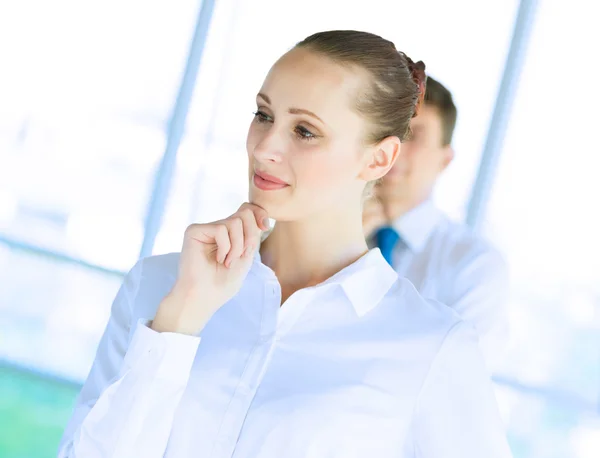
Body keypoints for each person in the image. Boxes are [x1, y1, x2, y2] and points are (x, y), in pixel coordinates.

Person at [58, 31, 512, 458]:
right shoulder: (160, 286)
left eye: (305, 131)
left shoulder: (431, 346)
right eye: (264, 115)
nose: (264, 147)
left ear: (379, 157)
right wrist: (179, 324)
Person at [364, 77, 509, 370]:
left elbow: (457, 378)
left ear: (445, 161)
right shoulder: (324, 233)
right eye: (388, 132)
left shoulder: (474, 264)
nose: (395, 148)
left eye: (413, 135)